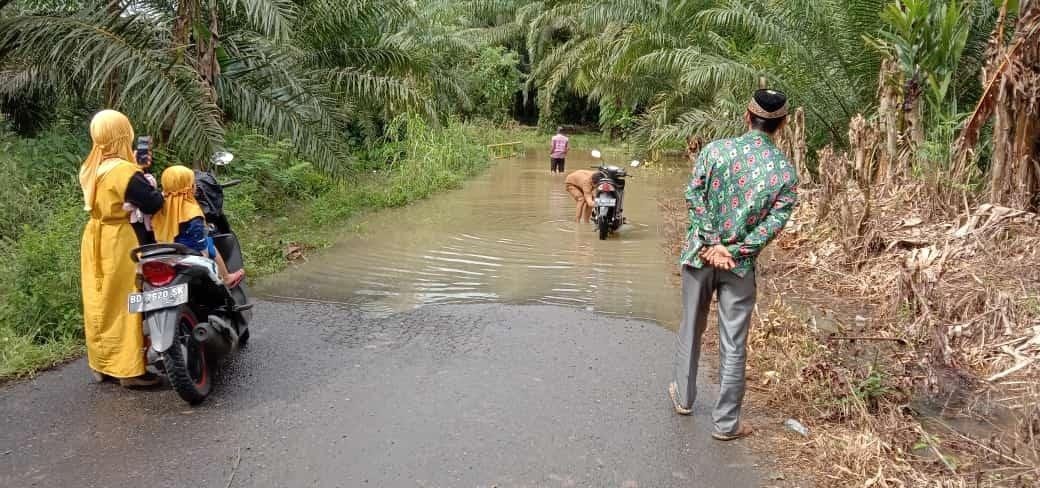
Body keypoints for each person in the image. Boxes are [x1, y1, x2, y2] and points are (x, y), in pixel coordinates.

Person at [669, 89, 799, 441]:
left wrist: (712, 243)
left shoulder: (715, 151)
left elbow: (693, 195)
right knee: (733, 342)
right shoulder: (785, 173)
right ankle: (726, 424)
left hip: (699, 256)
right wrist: (735, 251)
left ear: (747, 116)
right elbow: (772, 226)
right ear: (782, 124)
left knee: (691, 328)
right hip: (739, 268)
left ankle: (683, 397)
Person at [79, 109, 165, 387]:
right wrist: (148, 180)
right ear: (122, 134)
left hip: (95, 236)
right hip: (119, 239)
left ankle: (101, 365)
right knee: (126, 301)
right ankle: (129, 370)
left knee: (98, 301)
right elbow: (152, 203)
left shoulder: (90, 167)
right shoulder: (124, 172)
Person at [152, 165, 245, 288]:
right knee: (210, 243)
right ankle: (227, 278)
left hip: (165, 246)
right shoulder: (191, 209)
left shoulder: (160, 205)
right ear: (189, 187)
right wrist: (203, 249)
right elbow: (198, 237)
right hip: (189, 249)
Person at [126, 136, 157, 245]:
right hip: (134, 222)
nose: (147, 156)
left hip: (145, 222)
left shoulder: (147, 177)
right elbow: (151, 202)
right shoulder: (128, 174)